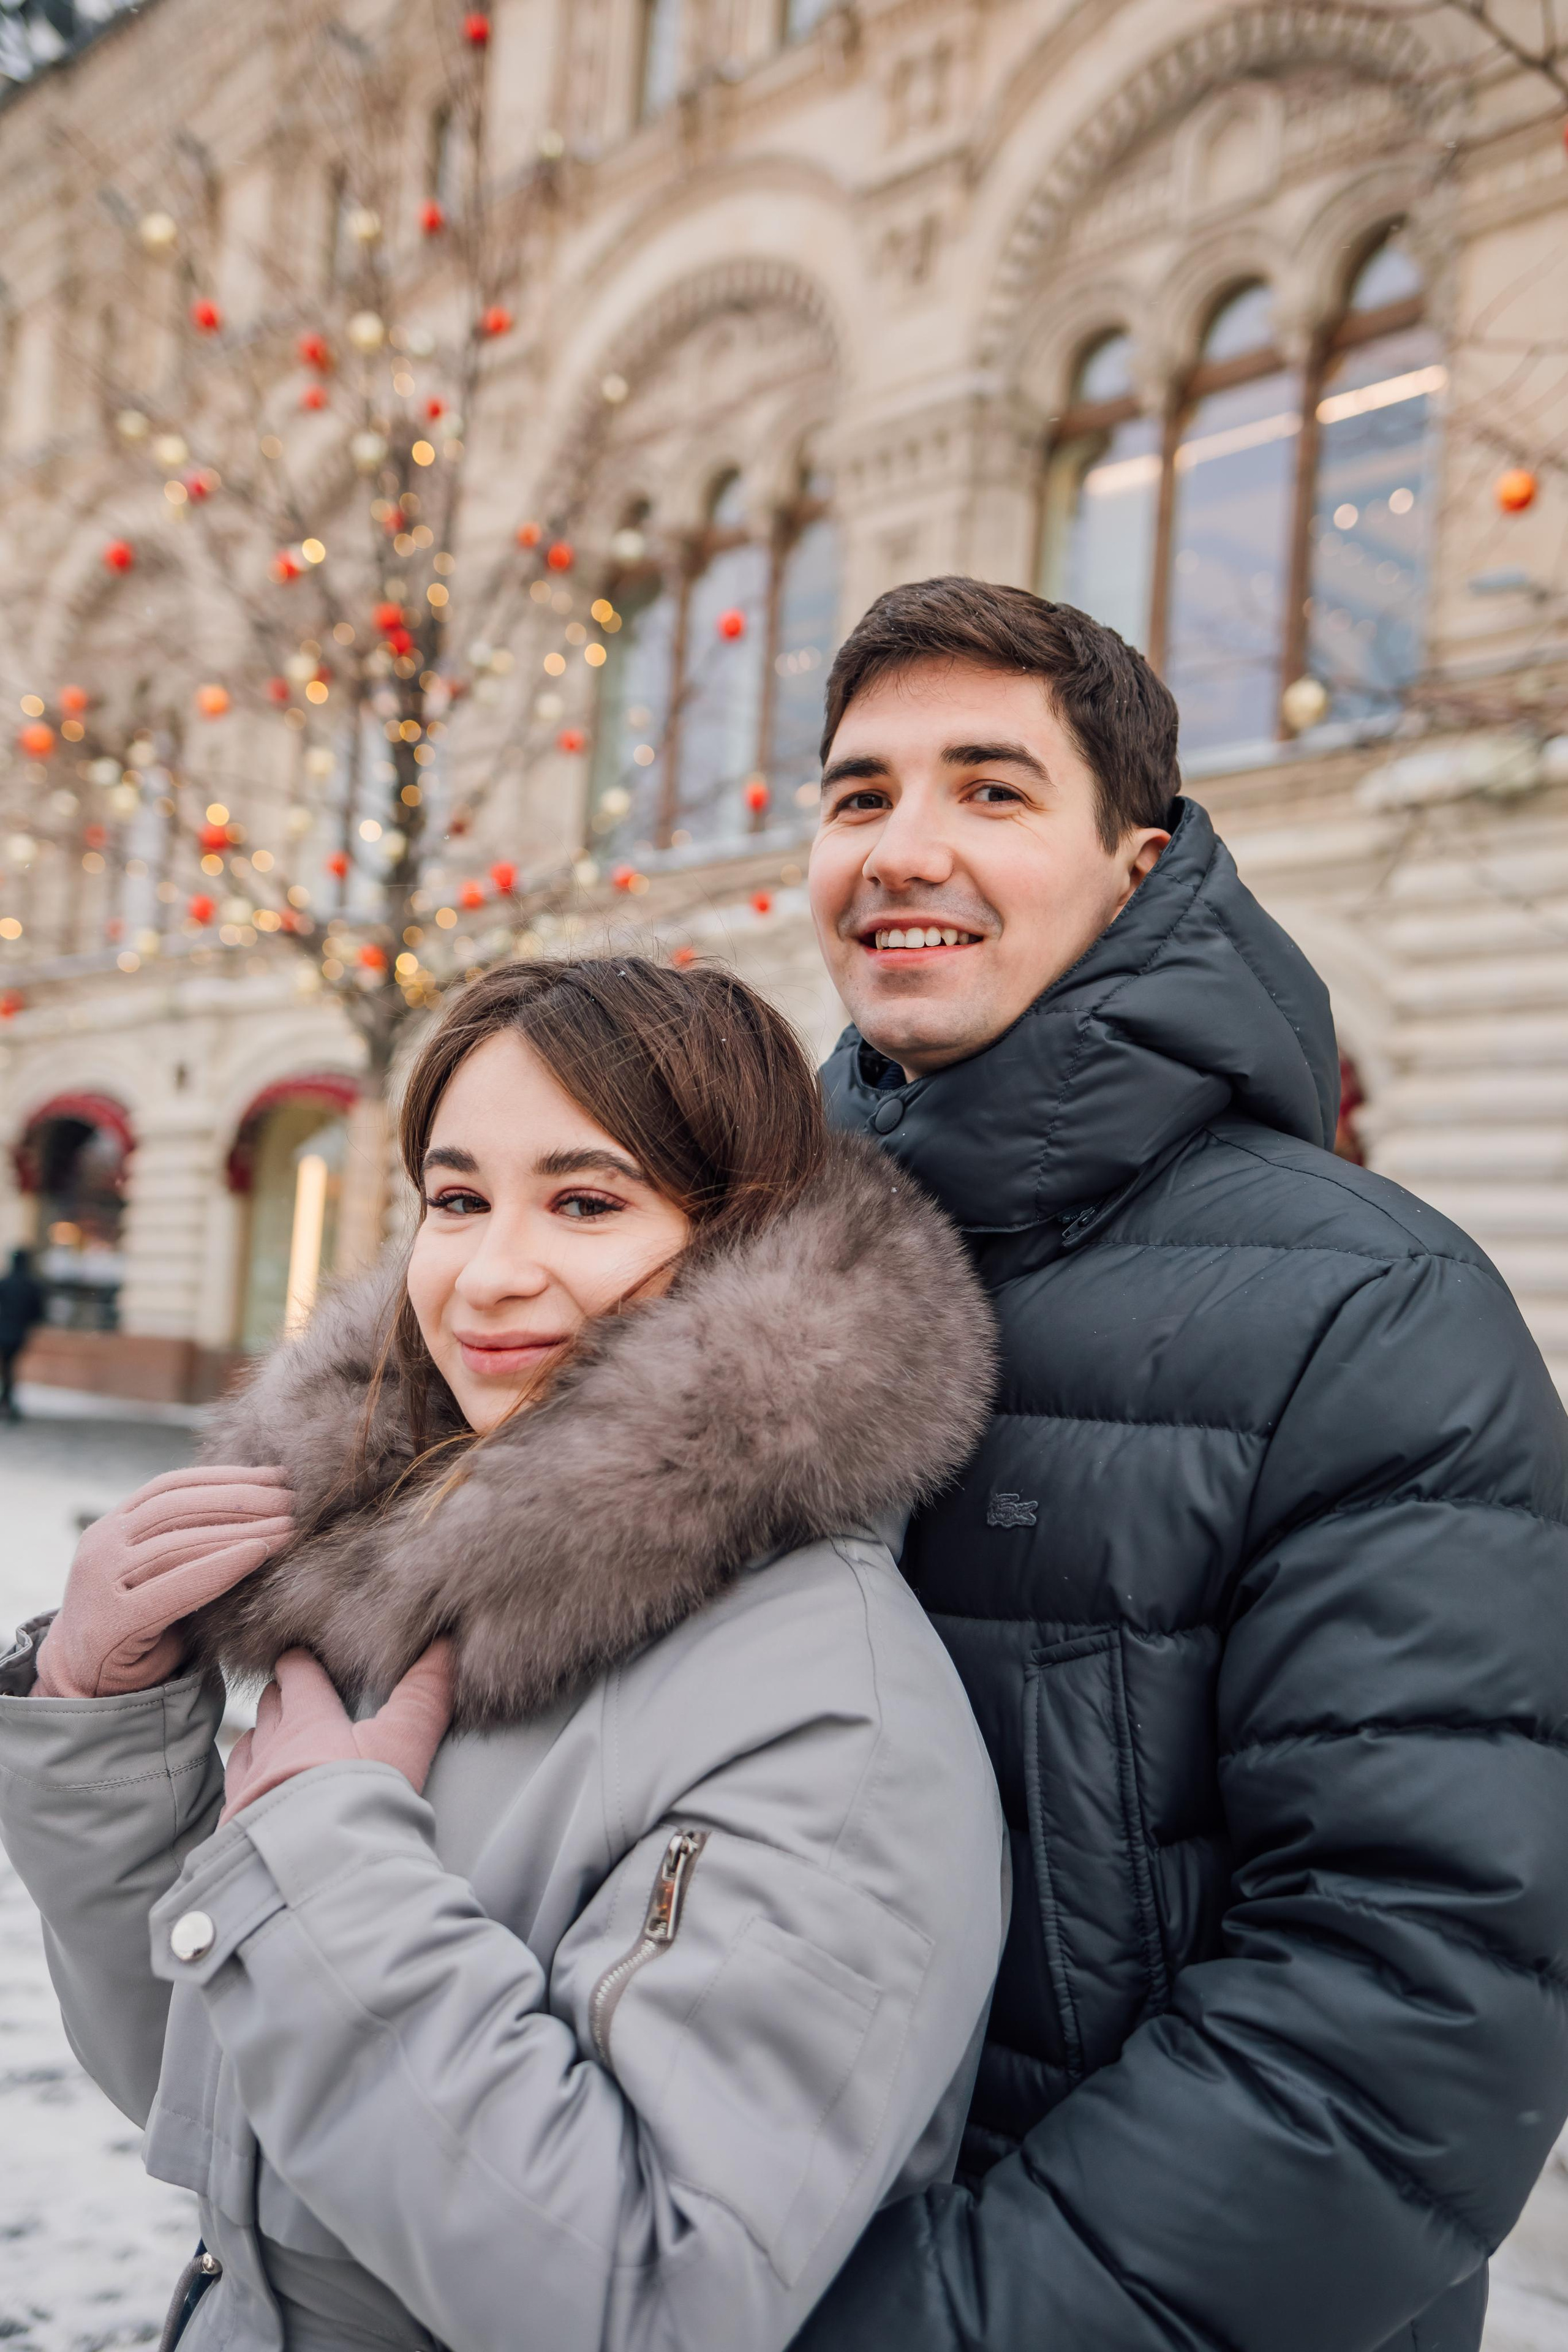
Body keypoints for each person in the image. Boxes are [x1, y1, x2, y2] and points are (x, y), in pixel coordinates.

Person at [0, 958, 1008, 2352]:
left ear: (740, 1241)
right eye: (457, 1197)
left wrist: (327, 1867)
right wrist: (103, 1714)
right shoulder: (411, 1569)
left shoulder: (828, 1708)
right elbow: (214, 2103)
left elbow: (651, 2302)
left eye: (586, 1200)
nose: (489, 1271)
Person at [793, 577, 1568, 2352]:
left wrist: (946, 2325)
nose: (906, 846)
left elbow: (1407, 2007)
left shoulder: (1374, 1311)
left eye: (991, 788)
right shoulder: (736, 1265)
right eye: (862, 795)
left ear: (1140, 865)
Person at [0, 1243, 47, 1420]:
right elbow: (39, 1313)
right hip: (19, 1333)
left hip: (4, 1330)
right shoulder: (32, 1286)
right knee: (9, 1366)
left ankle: (7, 1401)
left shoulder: (5, 1283)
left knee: (7, 1367)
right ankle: (7, 1401)